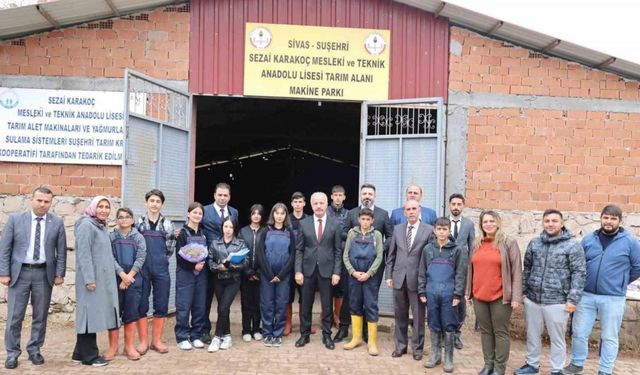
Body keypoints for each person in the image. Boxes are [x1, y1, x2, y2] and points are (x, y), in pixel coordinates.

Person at [564, 205, 640, 375]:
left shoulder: (630, 242)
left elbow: (637, 266)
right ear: (601, 218)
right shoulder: (589, 239)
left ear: (620, 221)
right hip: (586, 295)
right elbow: (578, 264)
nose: (609, 221)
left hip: (613, 298)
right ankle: (577, 363)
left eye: (613, 218)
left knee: (609, 337)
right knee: (579, 333)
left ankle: (605, 370)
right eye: (606, 217)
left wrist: (620, 281)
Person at [0, 187, 67, 370]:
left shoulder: (57, 222)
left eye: (46, 202)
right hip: (19, 273)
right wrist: (4, 273)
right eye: (39, 200)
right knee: (15, 315)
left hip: (43, 274)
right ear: (32, 199)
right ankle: (12, 353)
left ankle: (35, 349)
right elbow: (4, 248)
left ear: (50, 203)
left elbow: (61, 251)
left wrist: (59, 273)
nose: (42, 204)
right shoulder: (15, 220)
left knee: (40, 315)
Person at [515, 209, 586, 375]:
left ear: (562, 223)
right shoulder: (535, 243)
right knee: (532, 335)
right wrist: (523, 291)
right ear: (542, 223)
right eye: (547, 221)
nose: (550, 224)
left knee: (557, 338)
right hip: (533, 299)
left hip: (558, 301)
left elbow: (579, 273)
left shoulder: (572, 245)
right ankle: (532, 365)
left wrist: (573, 300)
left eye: (554, 221)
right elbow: (527, 268)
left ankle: (557, 369)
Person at [466, 210, 523, 375]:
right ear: (481, 225)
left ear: (498, 223)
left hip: (501, 297)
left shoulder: (508, 243)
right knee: (485, 331)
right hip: (479, 296)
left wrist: (516, 297)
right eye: (485, 222)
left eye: (492, 221)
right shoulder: (477, 244)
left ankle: (499, 368)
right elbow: (471, 269)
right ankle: (488, 365)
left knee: (500, 332)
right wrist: (468, 292)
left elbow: (516, 271)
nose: (488, 224)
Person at [71, 196, 119, 367]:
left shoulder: (100, 226)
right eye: (101, 206)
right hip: (90, 280)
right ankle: (90, 357)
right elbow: (83, 254)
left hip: (100, 278)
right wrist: (89, 279)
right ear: (93, 208)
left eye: (107, 207)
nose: (104, 210)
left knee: (89, 314)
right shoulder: (86, 225)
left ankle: (78, 353)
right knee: (88, 316)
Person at [385, 199, 434, 361]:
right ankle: (400, 346)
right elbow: (391, 255)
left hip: (418, 280)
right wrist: (389, 275)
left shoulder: (428, 230)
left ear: (419, 210)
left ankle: (417, 349)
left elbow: (430, 259)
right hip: (399, 278)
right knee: (400, 314)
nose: (411, 212)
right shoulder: (398, 229)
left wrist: (427, 281)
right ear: (404, 212)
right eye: (408, 209)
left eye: (414, 209)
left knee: (419, 316)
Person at [418, 217, 467, 373]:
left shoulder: (457, 249)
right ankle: (435, 355)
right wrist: (422, 290)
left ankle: (448, 359)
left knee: (449, 325)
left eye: (445, 229)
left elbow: (461, 274)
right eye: (439, 229)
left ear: (449, 231)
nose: (441, 232)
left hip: (449, 294)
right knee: (434, 324)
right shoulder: (428, 249)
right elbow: (421, 272)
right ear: (434, 230)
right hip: (431, 293)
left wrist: (457, 295)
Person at [294, 192, 342, 350]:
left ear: (327, 203)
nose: (319, 206)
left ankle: (327, 335)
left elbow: (337, 251)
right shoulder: (304, 223)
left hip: (327, 271)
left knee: (327, 305)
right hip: (307, 270)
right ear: (311, 205)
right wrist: (298, 271)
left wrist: (337, 272)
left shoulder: (335, 224)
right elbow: (299, 250)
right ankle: (304, 334)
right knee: (306, 303)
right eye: (316, 203)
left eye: (322, 203)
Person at [135, 189, 176, 354]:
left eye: (158, 201)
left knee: (161, 303)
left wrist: (160, 260)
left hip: (161, 268)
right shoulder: (138, 223)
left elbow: (170, 249)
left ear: (162, 204)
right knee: (141, 304)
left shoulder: (168, 224)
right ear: (146, 203)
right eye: (151, 201)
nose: (154, 204)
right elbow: (135, 245)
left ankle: (156, 341)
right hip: (142, 268)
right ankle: (143, 342)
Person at [105, 208, 146, 361]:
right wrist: (122, 275)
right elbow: (109, 257)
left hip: (134, 279)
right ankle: (113, 347)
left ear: (132, 220)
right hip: (116, 278)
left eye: (127, 217)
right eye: (120, 217)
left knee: (131, 313)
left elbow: (141, 257)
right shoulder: (111, 237)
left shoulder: (139, 237)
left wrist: (129, 277)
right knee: (114, 313)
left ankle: (128, 346)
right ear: (116, 220)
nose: (124, 220)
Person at [342, 208, 384, 356]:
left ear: (372, 221)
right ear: (359, 220)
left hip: (369, 277)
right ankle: (356, 338)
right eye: (363, 219)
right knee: (354, 304)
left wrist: (369, 273)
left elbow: (379, 256)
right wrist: (352, 272)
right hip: (354, 276)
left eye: (368, 219)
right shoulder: (352, 234)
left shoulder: (377, 235)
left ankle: (372, 342)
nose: (365, 222)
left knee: (371, 306)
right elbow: (345, 255)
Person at [201, 182, 239, 344]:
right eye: (220, 195)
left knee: (224, 300)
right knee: (206, 297)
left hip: (228, 264)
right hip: (208, 260)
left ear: (229, 197)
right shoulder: (205, 210)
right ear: (214, 195)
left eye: (225, 195)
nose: (222, 198)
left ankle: (224, 331)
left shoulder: (234, 212)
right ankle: (204, 330)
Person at [255, 203, 296, 347]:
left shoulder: (290, 232)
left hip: (283, 276)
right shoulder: (265, 231)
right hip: (267, 275)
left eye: (282, 213)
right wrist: (269, 273)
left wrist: (281, 274)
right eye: (276, 213)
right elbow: (260, 253)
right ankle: (267, 333)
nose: (279, 216)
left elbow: (292, 256)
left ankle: (277, 334)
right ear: (273, 215)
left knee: (281, 304)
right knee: (267, 304)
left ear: (286, 215)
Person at [207, 217, 248, 352]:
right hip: (218, 279)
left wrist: (231, 266)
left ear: (234, 228)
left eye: (231, 227)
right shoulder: (214, 243)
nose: (228, 230)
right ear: (222, 228)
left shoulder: (240, 244)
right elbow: (210, 261)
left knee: (223, 307)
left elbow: (245, 262)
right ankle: (227, 335)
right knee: (223, 309)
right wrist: (218, 267)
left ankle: (217, 337)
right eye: (226, 227)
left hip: (233, 280)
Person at [174, 202, 208, 351]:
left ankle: (196, 336)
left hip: (201, 275)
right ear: (188, 214)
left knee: (199, 306)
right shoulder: (182, 233)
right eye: (194, 212)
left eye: (200, 213)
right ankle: (182, 337)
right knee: (184, 306)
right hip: (185, 273)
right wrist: (192, 266)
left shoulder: (203, 233)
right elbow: (179, 257)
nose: (197, 215)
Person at [448, 193, 475, 349]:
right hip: (445, 267)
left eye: (459, 204)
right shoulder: (443, 222)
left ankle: (457, 333)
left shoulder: (468, 224)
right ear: (449, 205)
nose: (456, 207)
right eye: (453, 204)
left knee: (460, 301)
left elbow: (472, 247)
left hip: (462, 269)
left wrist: (471, 269)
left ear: (463, 206)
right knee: (446, 300)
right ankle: (447, 333)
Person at [238, 204, 267, 342]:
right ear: (250, 215)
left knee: (258, 302)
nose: (256, 216)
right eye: (253, 213)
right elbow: (239, 252)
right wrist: (248, 271)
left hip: (261, 274)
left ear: (262, 216)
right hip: (245, 273)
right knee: (246, 303)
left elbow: (267, 253)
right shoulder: (243, 231)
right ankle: (246, 330)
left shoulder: (266, 231)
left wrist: (260, 272)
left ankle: (256, 329)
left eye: (259, 213)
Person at [327, 185, 350, 342]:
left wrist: (339, 235)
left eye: (340, 195)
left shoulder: (348, 214)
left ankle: (337, 315)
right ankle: (326, 316)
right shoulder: (325, 212)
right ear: (331, 196)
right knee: (325, 286)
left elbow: (349, 234)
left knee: (340, 288)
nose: (337, 198)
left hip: (342, 255)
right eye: (335, 195)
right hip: (326, 254)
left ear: (344, 197)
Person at [284, 191, 308, 336]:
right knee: (288, 294)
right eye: (295, 202)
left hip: (305, 263)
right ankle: (288, 323)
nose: (298, 204)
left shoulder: (309, 220)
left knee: (305, 295)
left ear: (304, 203)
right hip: (289, 262)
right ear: (291, 204)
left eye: (300, 201)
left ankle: (305, 324)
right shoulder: (286, 221)